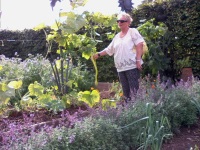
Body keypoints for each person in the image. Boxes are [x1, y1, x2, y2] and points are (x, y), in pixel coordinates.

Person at [93, 12, 145, 102]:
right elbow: (109, 49)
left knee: (134, 91)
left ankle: (137, 111)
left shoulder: (132, 32)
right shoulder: (117, 36)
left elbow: (139, 45)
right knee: (126, 92)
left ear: (128, 22)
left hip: (132, 66)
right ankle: (128, 112)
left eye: (122, 21)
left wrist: (138, 60)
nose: (119, 23)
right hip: (121, 68)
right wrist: (98, 54)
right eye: (118, 21)